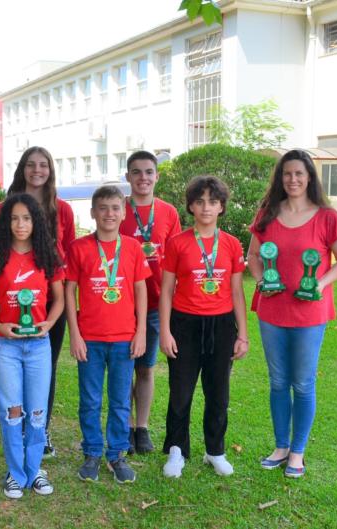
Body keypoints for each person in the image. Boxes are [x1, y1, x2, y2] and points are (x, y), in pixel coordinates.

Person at [247, 149, 337, 478]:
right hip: (272, 310)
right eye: (287, 174)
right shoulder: (266, 213)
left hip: (309, 313)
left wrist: (320, 283)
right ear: (280, 178)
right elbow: (252, 256)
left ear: (309, 177)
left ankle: (298, 452)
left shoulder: (327, 217)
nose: (292, 179)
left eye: (299, 174)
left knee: (303, 384)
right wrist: (264, 279)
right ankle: (281, 446)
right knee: (278, 381)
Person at [0, 193, 64, 499]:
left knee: (37, 412)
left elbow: (61, 298)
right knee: (12, 412)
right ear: (6, 223)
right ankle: (15, 473)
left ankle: (35, 468)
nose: (20, 224)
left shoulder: (47, 255)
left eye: (26, 218)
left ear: (36, 221)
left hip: (38, 345)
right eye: (14, 218)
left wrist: (49, 324)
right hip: (7, 348)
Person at [0, 146, 75, 458]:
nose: (37, 170)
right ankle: (17, 426)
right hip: (14, 301)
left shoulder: (62, 209)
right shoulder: (3, 209)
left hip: (52, 302)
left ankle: (41, 429)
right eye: (31, 165)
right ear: (22, 169)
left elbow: (69, 252)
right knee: (13, 363)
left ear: (50, 170)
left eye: (43, 165)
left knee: (44, 365)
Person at [159, 176, 248, 478]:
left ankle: (215, 451)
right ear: (191, 206)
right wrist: (165, 331)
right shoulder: (177, 243)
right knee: (181, 392)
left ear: (222, 206)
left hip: (222, 326)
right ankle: (176, 450)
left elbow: (237, 292)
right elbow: (167, 290)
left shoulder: (233, 244)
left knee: (218, 394)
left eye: (212, 201)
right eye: (200, 201)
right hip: (184, 324)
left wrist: (243, 335)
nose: (206, 207)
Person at [65, 185, 151, 484]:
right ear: (92, 213)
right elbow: (69, 291)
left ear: (124, 212)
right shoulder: (79, 248)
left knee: (119, 400)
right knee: (89, 399)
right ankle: (91, 452)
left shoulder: (132, 248)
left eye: (115, 208)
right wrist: (74, 335)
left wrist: (141, 332)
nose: (109, 214)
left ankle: (116, 454)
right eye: (103, 208)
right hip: (90, 338)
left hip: (124, 338)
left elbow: (141, 289)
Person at [119, 150, 181, 455]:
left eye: (148, 172)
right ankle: (126, 425)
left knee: (145, 368)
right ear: (127, 176)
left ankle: (141, 427)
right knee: (122, 366)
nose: (143, 178)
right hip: (120, 304)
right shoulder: (118, 210)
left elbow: (179, 256)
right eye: (136, 172)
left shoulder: (168, 212)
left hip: (158, 302)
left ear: (156, 176)